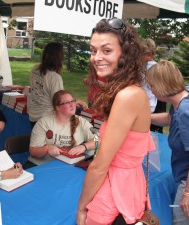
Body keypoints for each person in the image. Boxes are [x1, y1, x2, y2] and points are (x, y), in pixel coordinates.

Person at [76, 18, 155, 225]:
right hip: (124, 187)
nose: (96, 57)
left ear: (124, 54)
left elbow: (99, 166)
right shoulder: (127, 91)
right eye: (93, 51)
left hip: (113, 196)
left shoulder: (128, 96)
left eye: (106, 50)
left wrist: (81, 207)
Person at [146, 60, 189, 225]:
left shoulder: (186, 111)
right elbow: (171, 118)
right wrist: (143, 118)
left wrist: (188, 193)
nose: (151, 90)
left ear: (161, 86)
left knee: (183, 220)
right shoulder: (186, 92)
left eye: (152, 86)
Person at [27, 42, 87, 128]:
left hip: (33, 116)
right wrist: (76, 102)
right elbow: (60, 102)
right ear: (59, 58)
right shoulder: (54, 77)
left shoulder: (35, 69)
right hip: (47, 119)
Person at [29, 90, 95, 165]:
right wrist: (47, 148)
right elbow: (33, 152)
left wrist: (84, 147)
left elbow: (98, 140)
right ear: (58, 107)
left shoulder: (82, 122)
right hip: (41, 165)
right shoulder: (44, 123)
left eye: (73, 101)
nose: (72, 105)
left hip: (68, 166)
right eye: (67, 102)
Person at [142, 38, 166, 133]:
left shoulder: (155, 68)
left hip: (153, 106)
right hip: (153, 105)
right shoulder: (159, 67)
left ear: (150, 54)